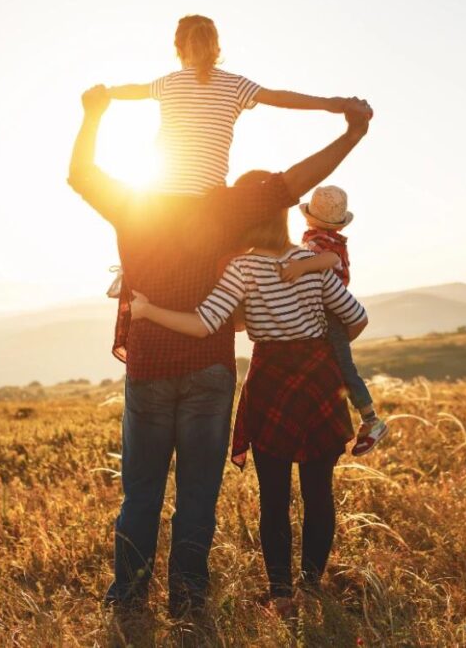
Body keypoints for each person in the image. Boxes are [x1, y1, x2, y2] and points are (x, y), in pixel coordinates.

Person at [66, 83, 372, 617]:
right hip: (209, 368)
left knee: (140, 493)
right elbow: (298, 181)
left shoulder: (133, 202)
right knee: (197, 497)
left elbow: (81, 174)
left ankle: (129, 596)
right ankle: (188, 599)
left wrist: (93, 115)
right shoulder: (230, 206)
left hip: (149, 367)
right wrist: (352, 131)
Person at [128, 206, 369, 616]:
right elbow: (357, 318)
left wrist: (149, 311)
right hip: (319, 381)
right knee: (318, 491)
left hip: (272, 382)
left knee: (274, 498)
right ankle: (310, 588)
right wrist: (320, 346)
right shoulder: (309, 262)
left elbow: (205, 323)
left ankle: (281, 596)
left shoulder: (242, 267)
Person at [107, 14, 358, 196]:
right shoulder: (235, 85)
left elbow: (133, 90)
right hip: (209, 198)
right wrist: (329, 103)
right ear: (216, 47)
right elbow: (279, 97)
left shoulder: (168, 83)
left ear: (179, 48)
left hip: (160, 195)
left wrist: (106, 93)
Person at [279, 185, 388, 455]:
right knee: (333, 365)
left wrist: (301, 266)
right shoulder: (325, 238)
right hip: (327, 311)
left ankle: (371, 420)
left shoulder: (323, 243)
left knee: (343, 367)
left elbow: (328, 260)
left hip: (330, 312)